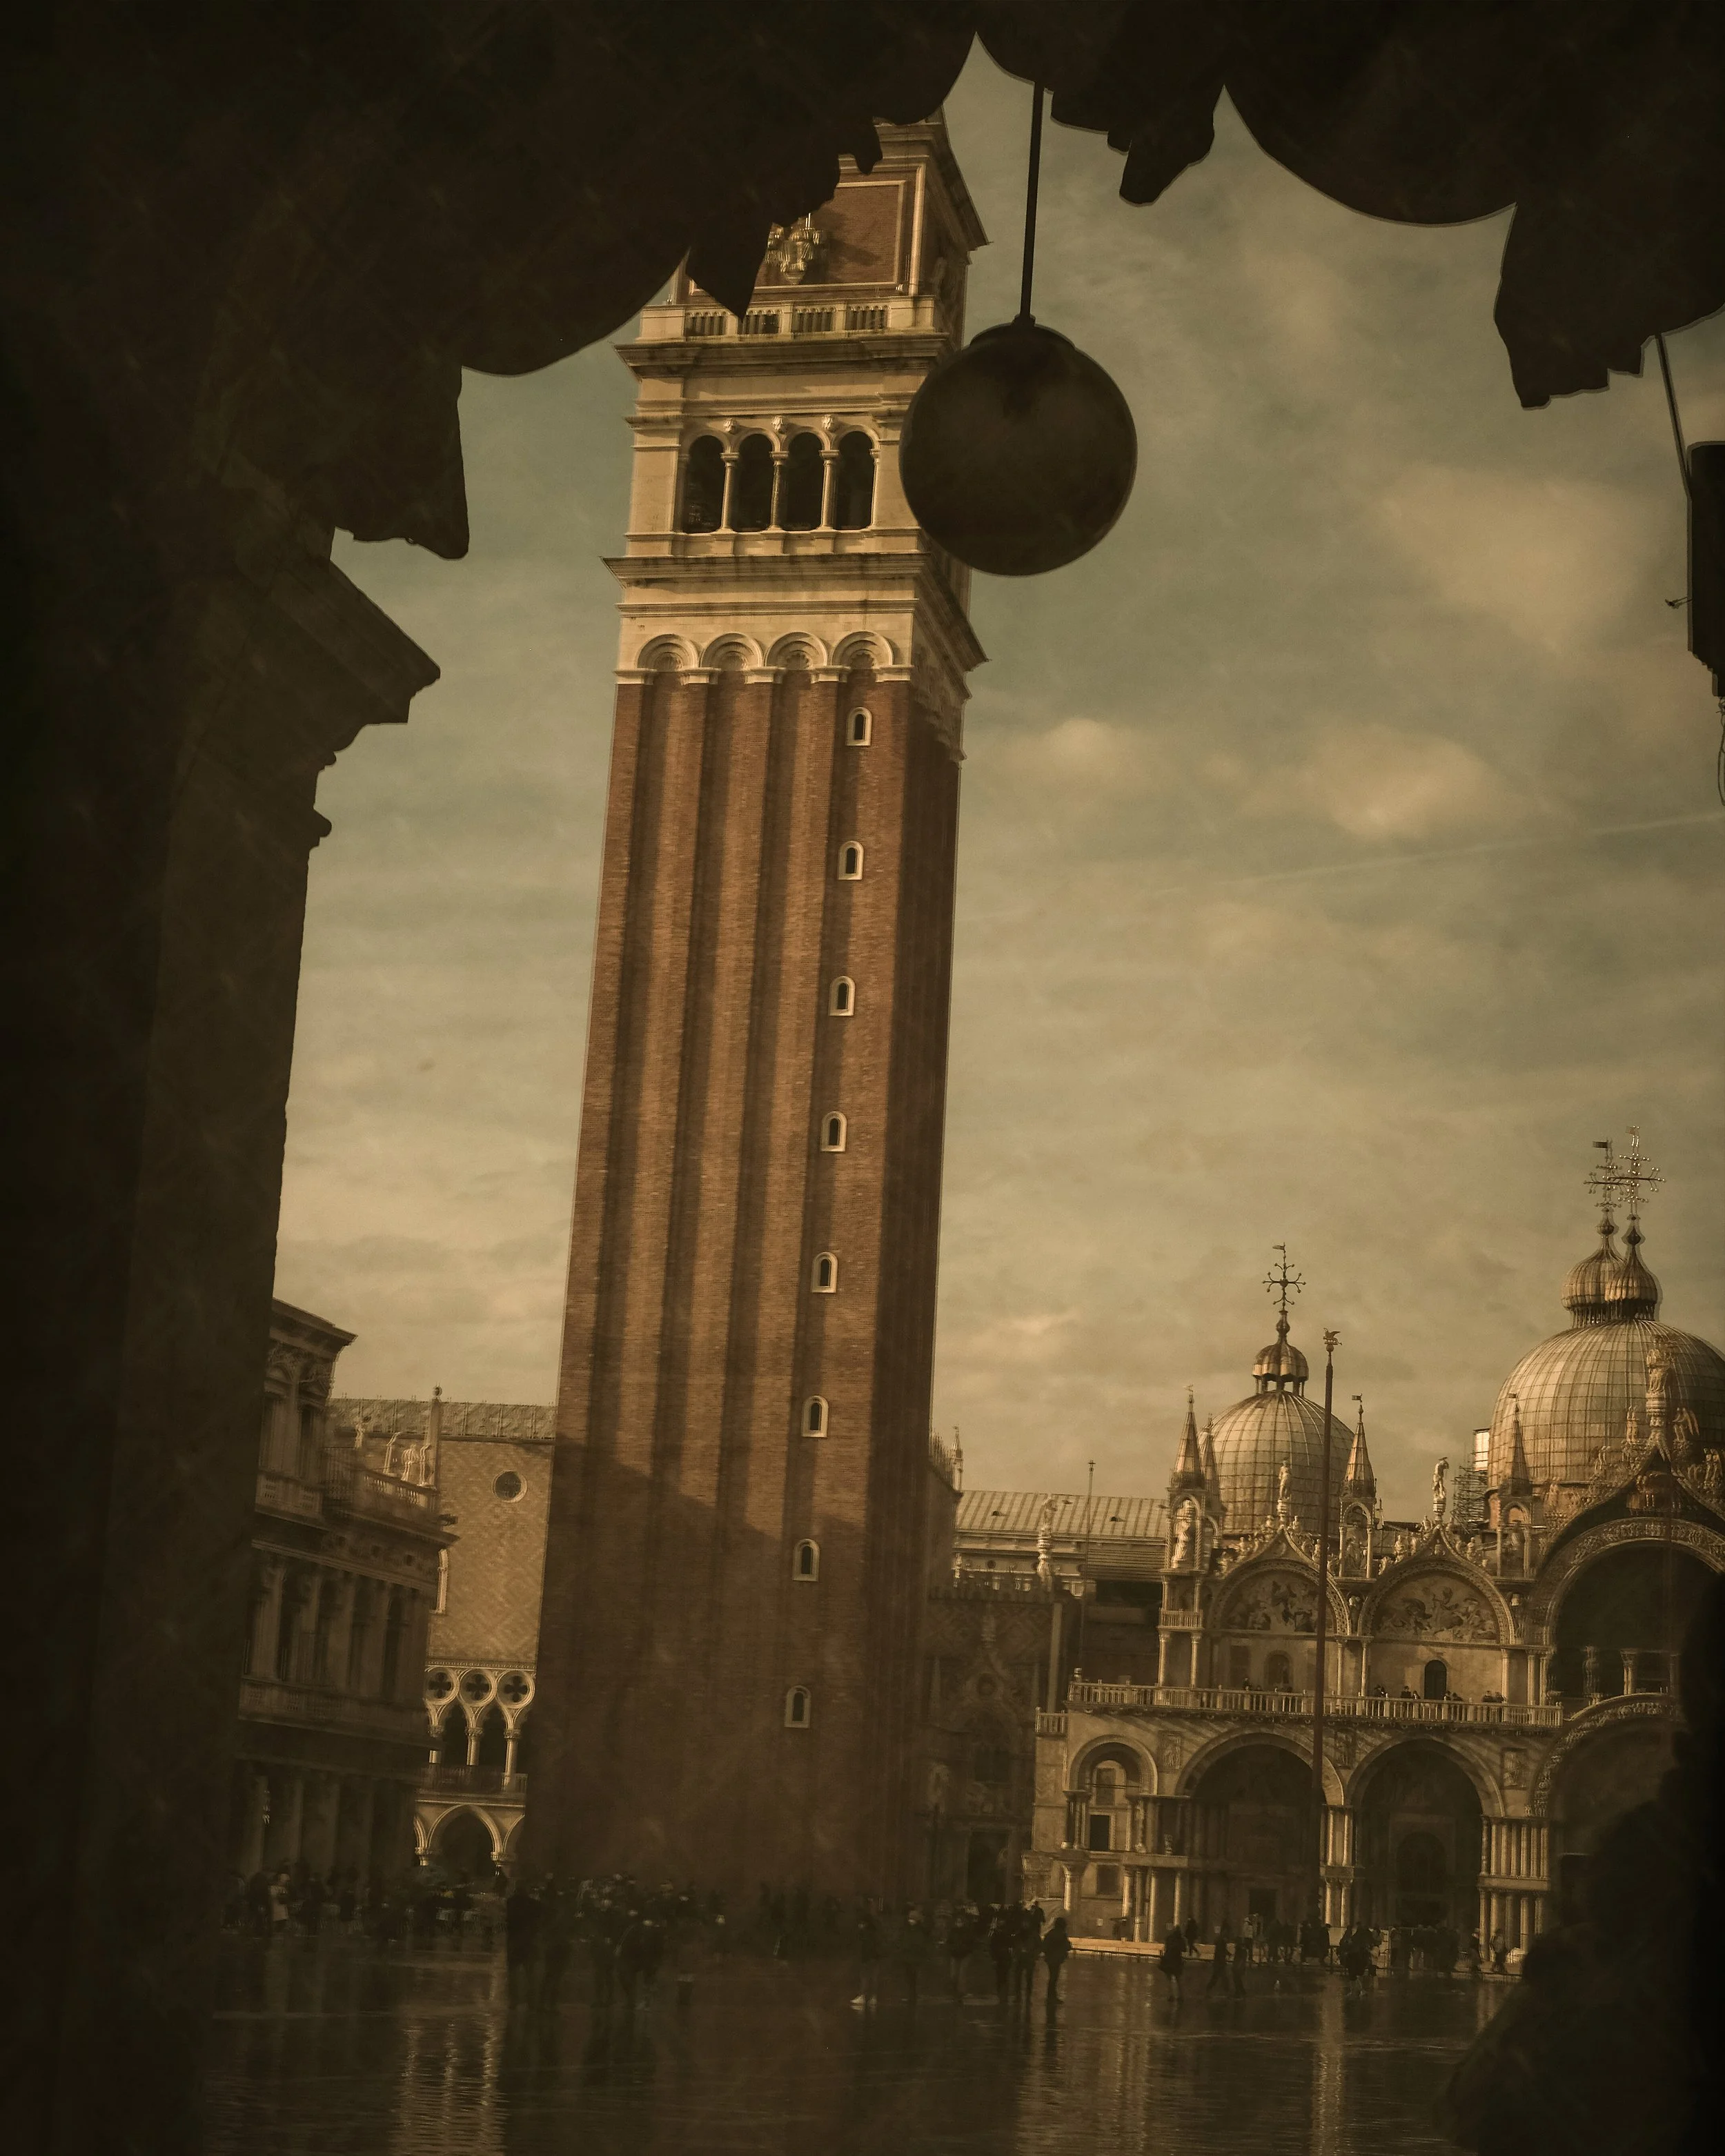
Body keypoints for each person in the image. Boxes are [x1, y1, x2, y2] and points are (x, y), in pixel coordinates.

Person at [851, 1903, 882, 2012]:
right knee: (874, 1977)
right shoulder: (875, 1931)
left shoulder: (865, 1933)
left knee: (864, 1977)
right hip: (875, 1957)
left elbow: (864, 1946)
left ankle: (863, 1996)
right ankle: (873, 1997)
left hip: (867, 1958)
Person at [1041, 1916, 1072, 2007]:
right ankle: (1052, 1997)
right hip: (1057, 1959)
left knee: (1052, 1978)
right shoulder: (1062, 1934)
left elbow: (1044, 1946)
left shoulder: (1051, 1933)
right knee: (1054, 1978)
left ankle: (1051, 1997)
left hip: (1050, 1959)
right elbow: (1068, 1947)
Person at [1207, 1917, 1236, 1995]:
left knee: (1219, 1977)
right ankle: (1226, 1991)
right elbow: (1221, 1951)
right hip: (1220, 1962)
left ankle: (1225, 1991)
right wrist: (1225, 1957)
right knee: (1220, 1977)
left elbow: (1222, 1950)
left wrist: (1228, 1954)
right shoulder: (1222, 1941)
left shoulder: (1221, 1940)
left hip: (1219, 1962)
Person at [1159, 1923, 1187, 2001]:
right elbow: (1184, 1950)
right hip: (1177, 1961)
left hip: (1168, 1960)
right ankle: (1181, 1996)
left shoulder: (1169, 1938)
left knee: (1169, 1979)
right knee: (1178, 1979)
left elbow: (1166, 1948)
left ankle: (1171, 1995)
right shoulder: (1181, 1940)